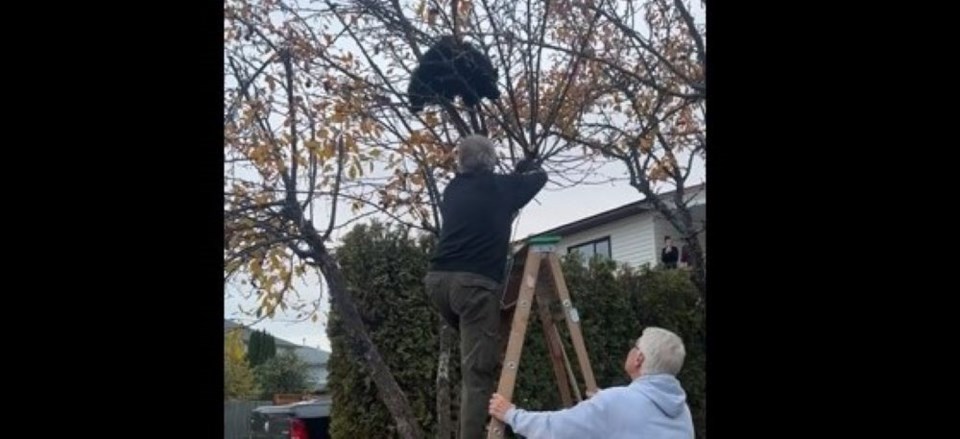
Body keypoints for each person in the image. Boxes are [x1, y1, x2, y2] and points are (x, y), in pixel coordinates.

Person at [424, 135, 547, 439]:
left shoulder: (452, 189)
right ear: (490, 160)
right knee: (476, 375)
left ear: (461, 162)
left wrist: (515, 175)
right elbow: (539, 179)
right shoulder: (500, 187)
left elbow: (488, 204)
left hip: (438, 282)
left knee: (475, 350)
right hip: (474, 286)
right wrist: (529, 166)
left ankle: (488, 420)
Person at [488, 327, 695, 439]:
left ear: (638, 359)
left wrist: (511, 414)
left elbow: (557, 430)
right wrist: (604, 406)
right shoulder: (681, 409)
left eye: (635, 346)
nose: (631, 349)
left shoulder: (616, 402)